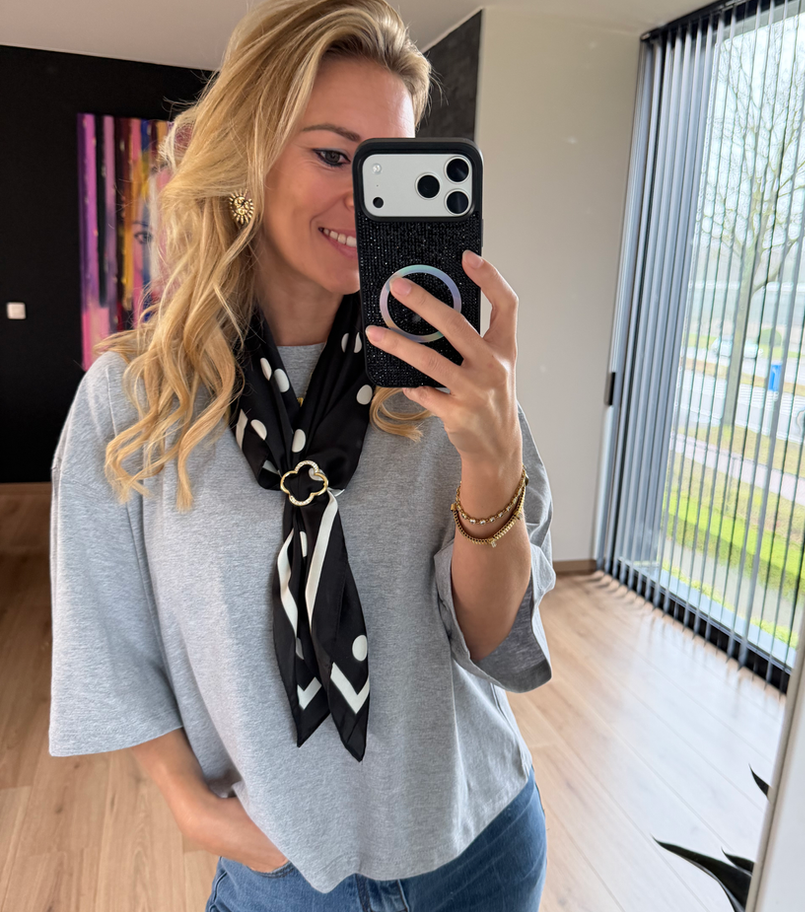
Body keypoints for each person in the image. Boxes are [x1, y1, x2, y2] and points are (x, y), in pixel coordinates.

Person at [48, 0, 557, 909]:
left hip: (479, 846)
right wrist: (192, 808)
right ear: (248, 156)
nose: (365, 200)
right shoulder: (134, 401)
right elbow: (106, 640)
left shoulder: (455, 383)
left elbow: (491, 641)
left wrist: (492, 460)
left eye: (390, 167)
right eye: (332, 155)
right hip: (282, 873)